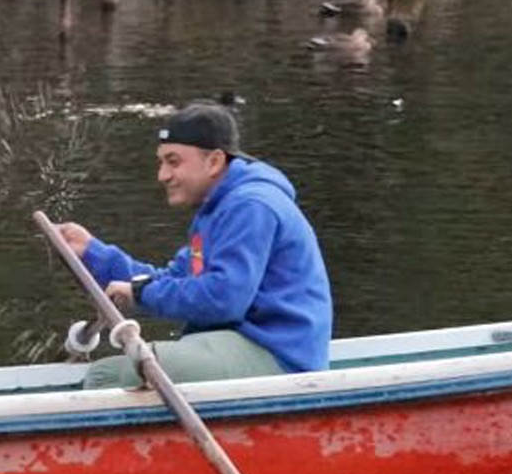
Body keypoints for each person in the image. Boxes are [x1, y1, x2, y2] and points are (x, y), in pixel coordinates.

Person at [59, 101, 332, 389]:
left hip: (280, 357)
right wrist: (92, 253)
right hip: (239, 343)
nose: (162, 175)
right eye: (161, 162)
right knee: (120, 371)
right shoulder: (219, 208)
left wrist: (140, 294)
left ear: (214, 162)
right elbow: (175, 280)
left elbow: (223, 299)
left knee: (107, 377)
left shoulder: (251, 206)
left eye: (173, 162)